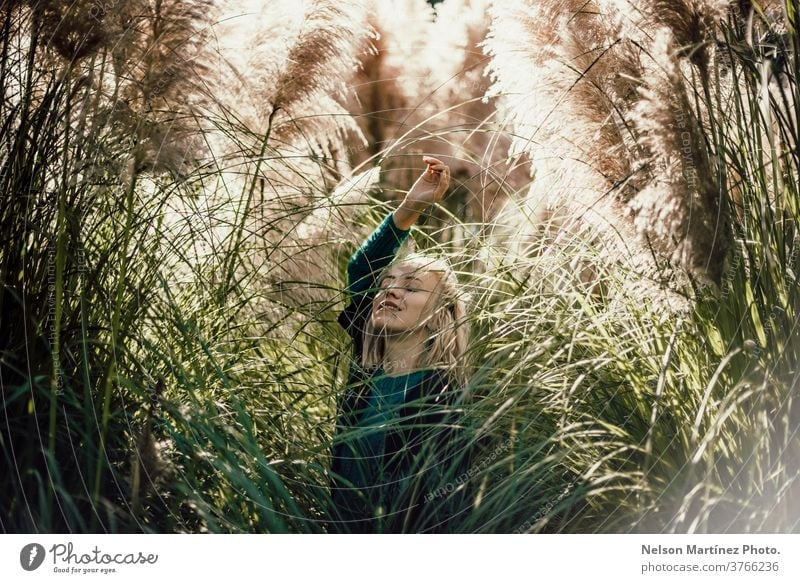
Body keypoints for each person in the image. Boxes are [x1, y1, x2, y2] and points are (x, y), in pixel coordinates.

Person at [329, 156, 473, 533]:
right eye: (387, 284)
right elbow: (362, 270)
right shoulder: (365, 373)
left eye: (410, 287)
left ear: (441, 314)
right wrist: (411, 207)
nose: (391, 292)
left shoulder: (442, 399)